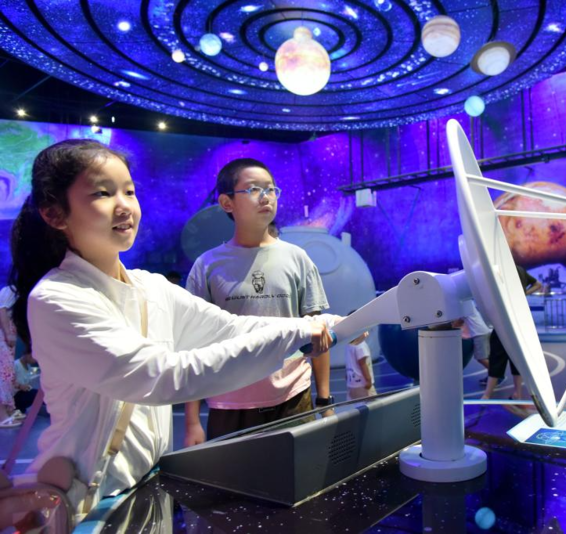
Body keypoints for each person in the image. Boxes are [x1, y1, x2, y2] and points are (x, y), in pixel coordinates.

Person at [9, 139, 336, 509]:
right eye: (103, 193)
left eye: (129, 191)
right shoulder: (57, 298)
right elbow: (162, 375)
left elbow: (229, 328)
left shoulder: (151, 287)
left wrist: (336, 324)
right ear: (55, 214)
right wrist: (299, 332)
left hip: (148, 485)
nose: (124, 206)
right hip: (92, 500)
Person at [183, 158, 332, 446]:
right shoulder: (207, 266)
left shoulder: (297, 258)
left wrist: (324, 400)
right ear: (227, 203)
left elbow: (318, 332)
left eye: (271, 189)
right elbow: (193, 344)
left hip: (294, 399)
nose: (266, 197)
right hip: (229, 404)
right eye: (253, 189)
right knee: (232, 476)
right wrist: (192, 422)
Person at [482, 266, 541, 400]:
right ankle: (517, 393)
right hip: (519, 318)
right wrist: (524, 293)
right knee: (517, 358)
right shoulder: (519, 269)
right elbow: (538, 284)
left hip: (504, 318)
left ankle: (487, 395)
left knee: (497, 357)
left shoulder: (499, 269)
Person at [0, 286, 21, 428]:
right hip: (2, 337)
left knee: (7, 374)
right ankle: (2, 416)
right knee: (3, 374)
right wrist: (8, 333)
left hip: (6, 337)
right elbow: (2, 308)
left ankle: (7, 411)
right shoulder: (11, 290)